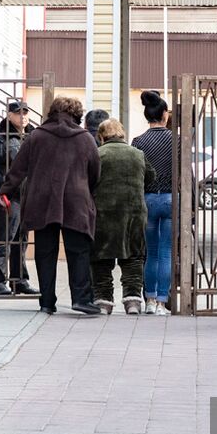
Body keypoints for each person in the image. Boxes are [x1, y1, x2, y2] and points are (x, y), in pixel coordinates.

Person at [0, 96, 103, 316]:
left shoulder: (37, 136)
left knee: (45, 252)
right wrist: (87, 191)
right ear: (77, 115)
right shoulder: (85, 139)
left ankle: (47, 301)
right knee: (79, 251)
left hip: (43, 201)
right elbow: (95, 172)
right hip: (76, 201)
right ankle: (81, 299)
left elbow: (18, 168)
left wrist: (5, 190)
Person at [90, 119, 154, 315]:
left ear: (101, 136)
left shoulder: (98, 154)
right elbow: (151, 177)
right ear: (122, 134)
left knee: (101, 258)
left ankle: (103, 301)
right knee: (134, 257)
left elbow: (88, 180)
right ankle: (133, 301)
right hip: (134, 213)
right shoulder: (138, 154)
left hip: (104, 214)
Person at [0, 100, 37, 296]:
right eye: (19, 113)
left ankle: (19, 281)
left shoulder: (33, 136)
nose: (23, 116)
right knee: (3, 239)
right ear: (9, 115)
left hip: (28, 196)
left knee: (21, 240)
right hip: (7, 197)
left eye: (26, 112)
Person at [132, 90, 174, 315]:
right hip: (169, 199)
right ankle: (161, 303)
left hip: (147, 199)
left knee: (151, 252)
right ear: (164, 115)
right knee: (166, 252)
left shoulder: (138, 141)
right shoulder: (175, 140)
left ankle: (148, 300)